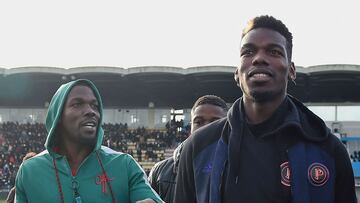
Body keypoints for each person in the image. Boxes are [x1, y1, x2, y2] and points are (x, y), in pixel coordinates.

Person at [174, 15, 356, 203]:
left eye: (274, 52)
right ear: (237, 73)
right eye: (248, 52)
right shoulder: (199, 147)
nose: (259, 58)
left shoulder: (329, 150)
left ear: (292, 70)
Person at [15, 79, 163, 203]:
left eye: (95, 106)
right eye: (77, 104)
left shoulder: (124, 164)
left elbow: (150, 199)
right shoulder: (29, 171)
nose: (91, 111)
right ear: (58, 116)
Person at [148, 95, 228, 202]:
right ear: (190, 127)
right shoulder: (160, 171)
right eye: (198, 122)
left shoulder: (241, 167)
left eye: (215, 122)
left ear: (227, 127)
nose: (206, 127)